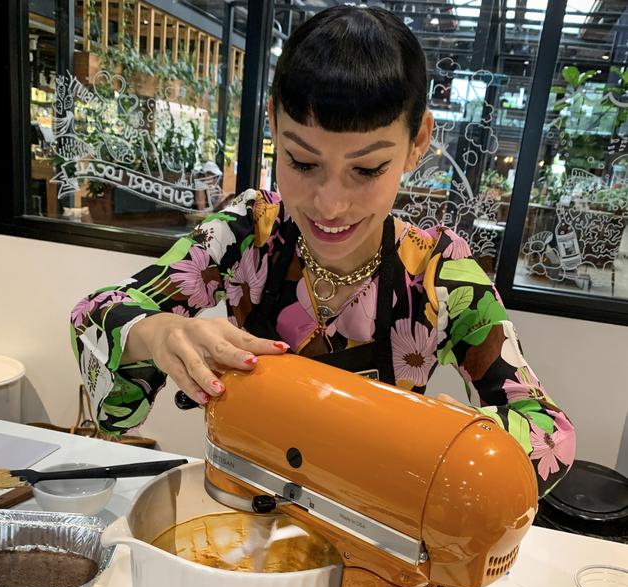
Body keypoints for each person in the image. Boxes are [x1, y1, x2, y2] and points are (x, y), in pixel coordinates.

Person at [70, 6, 575, 498]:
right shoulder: (249, 232)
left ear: (417, 141)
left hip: (377, 529)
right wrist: (160, 331)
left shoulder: (440, 272)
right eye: (302, 161)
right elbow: (94, 313)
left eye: (367, 169)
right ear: (272, 121)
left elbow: (549, 431)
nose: (330, 206)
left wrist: (454, 440)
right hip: (244, 508)